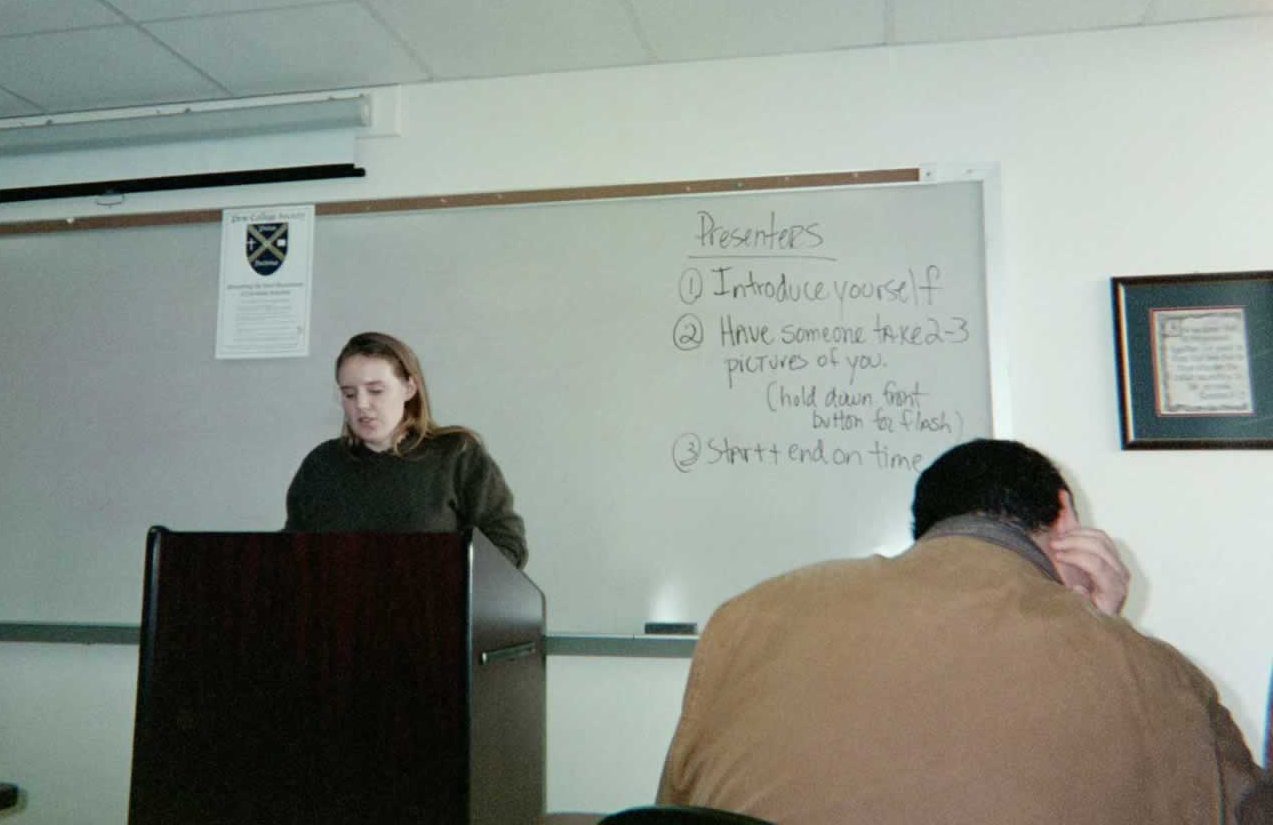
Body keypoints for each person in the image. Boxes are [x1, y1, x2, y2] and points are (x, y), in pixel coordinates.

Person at [657, 438, 1266, 825]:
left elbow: (678, 809)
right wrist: (1104, 630)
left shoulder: (747, 616)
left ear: (925, 525)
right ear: (1064, 517)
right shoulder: (1153, 673)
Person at [284, 331, 527, 568]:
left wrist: (454, 582)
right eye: (349, 394)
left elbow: (506, 542)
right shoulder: (323, 463)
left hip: (434, 605)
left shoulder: (456, 454)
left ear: (409, 389)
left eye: (376, 391)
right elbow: (292, 551)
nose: (361, 404)